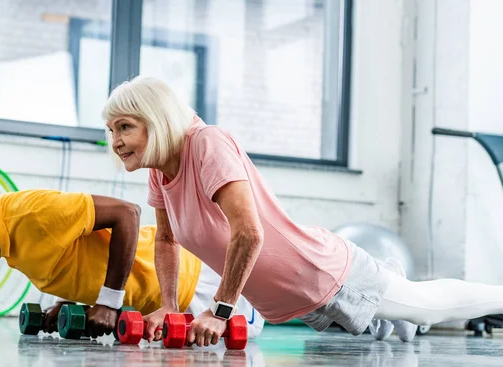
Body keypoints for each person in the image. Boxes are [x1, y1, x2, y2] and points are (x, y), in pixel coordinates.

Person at [102, 75, 503, 346]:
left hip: (325, 275)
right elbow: (168, 240)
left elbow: (249, 233)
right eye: (111, 129)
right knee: (393, 327)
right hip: (299, 303)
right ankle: (391, 289)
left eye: (126, 127)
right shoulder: (160, 170)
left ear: (155, 121)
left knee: (429, 304)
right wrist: (170, 306)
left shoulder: (206, 144)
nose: (116, 141)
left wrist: (220, 311)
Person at [0, 183, 264, 339]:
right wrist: (67, 302)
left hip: (195, 285)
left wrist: (108, 301)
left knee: (293, 308)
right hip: (158, 308)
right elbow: (74, 256)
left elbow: (127, 214)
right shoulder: (2, 235)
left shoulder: (34, 212)